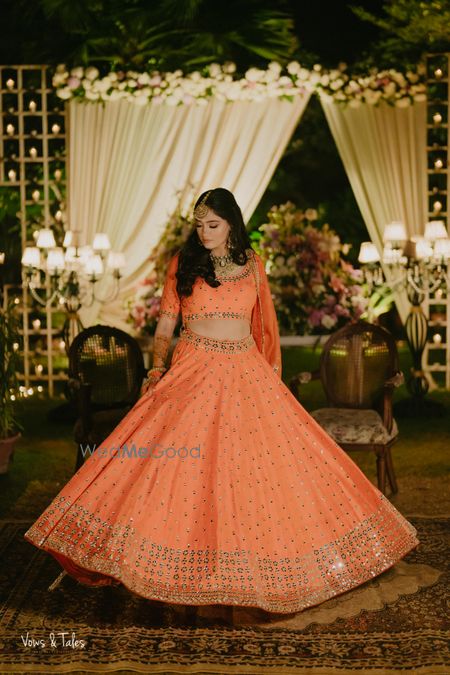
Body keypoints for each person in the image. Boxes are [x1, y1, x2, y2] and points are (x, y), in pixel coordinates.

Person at [24, 187, 419, 614]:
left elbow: (263, 326)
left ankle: (260, 569)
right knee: (173, 471)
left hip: (246, 374)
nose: (204, 232)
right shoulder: (184, 263)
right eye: (199, 225)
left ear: (232, 224)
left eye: (213, 224)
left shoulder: (253, 266)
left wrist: (270, 380)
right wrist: (157, 368)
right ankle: (168, 568)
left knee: (261, 474)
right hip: (193, 371)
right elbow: (165, 325)